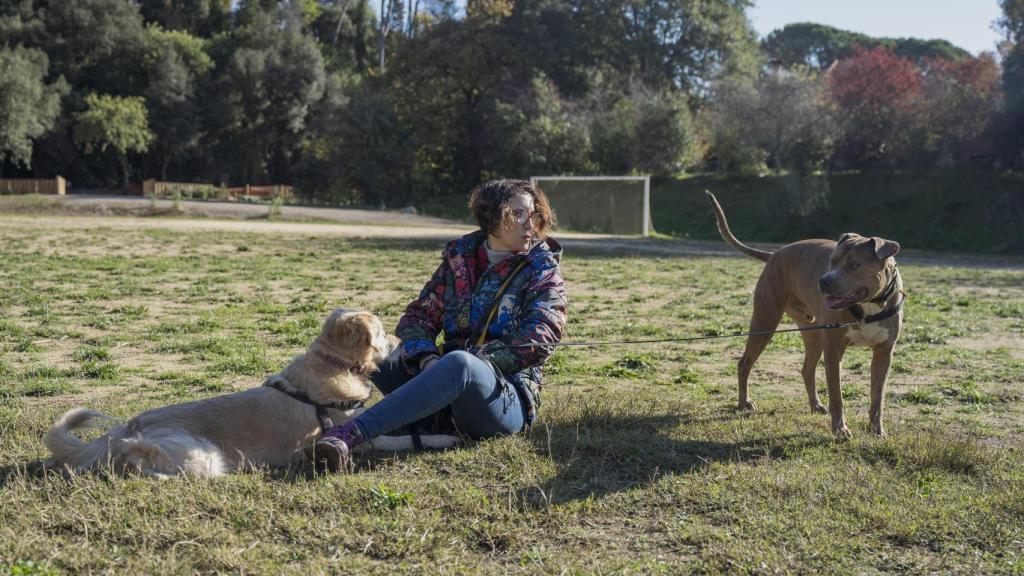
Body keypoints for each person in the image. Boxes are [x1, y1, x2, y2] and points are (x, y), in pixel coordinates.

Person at [307, 179, 568, 472]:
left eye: (533, 214)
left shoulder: (542, 267)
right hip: (442, 374)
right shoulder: (460, 259)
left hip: (502, 397)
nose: (529, 224)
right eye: (517, 214)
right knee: (373, 345)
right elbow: (417, 318)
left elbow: (543, 333)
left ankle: (348, 434)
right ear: (491, 217)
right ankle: (306, 409)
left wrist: (482, 360)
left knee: (460, 364)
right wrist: (428, 359)